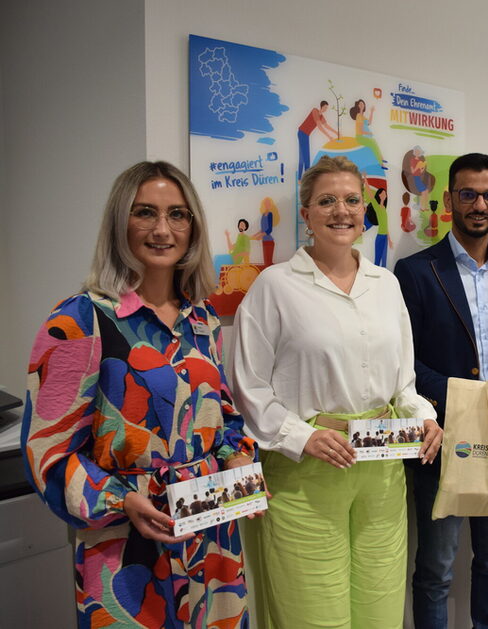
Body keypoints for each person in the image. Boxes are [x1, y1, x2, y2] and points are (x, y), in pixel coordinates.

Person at [21, 161, 259, 628]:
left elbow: (223, 411)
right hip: (128, 548)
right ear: (119, 223)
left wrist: (237, 455)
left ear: (193, 226)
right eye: (145, 213)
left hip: (211, 540)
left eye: (178, 215)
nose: (162, 229)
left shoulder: (202, 317)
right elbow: (47, 451)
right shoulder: (78, 320)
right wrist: (119, 501)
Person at [231, 155, 442, 628]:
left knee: (380, 606)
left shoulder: (384, 285)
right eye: (327, 200)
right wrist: (299, 435)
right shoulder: (276, 287)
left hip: (382, 472)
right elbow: (247, 386)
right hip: (306, 470)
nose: (342, 210)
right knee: (311, 611)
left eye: (351, 200)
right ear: (306, 213)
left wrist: (422, 415)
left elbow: (402, 381)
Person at [393, 152, 488, 629]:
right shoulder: (416, 271)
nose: (480, 204)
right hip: (445, 433)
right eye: (469, 194)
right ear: (448, 200)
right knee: (436, 569)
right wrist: (464, 396)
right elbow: (405, 363)